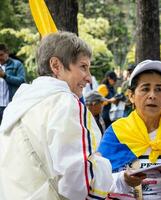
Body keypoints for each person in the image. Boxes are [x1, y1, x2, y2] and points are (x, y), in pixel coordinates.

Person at [0, 32, 112, 200]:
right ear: (56, 65)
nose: (88, 78)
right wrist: (105, 169)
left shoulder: (14, 107)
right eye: (83, 66)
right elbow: (81, 184)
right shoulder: (66, 104)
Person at [98, 60, 161, 199]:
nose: (152, 95)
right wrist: (123, 179)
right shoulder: (116, 133)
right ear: (131, 96)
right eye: (145, 88)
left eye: (159, 89)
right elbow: (99, 181)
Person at [0, 44, 26, 124]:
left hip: (11, 105)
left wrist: (5, 76)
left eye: (1, 55)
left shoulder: (17, 64)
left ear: (7, 53)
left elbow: (22, 81)